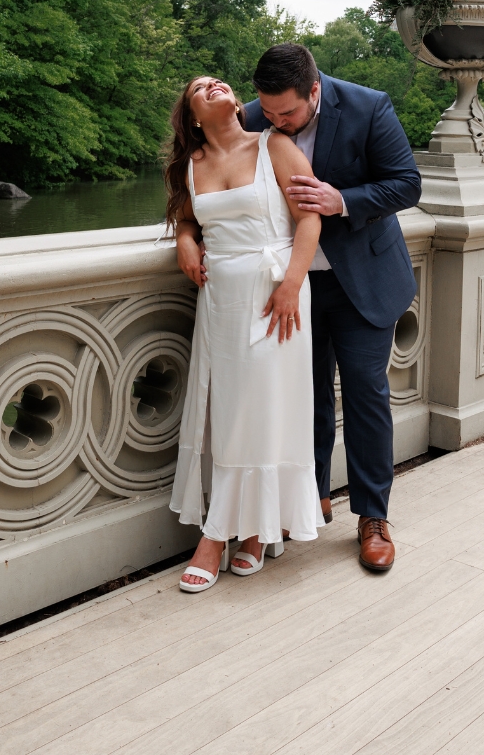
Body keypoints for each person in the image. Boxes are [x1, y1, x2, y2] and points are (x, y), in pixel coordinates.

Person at [243, 43, 422, 572]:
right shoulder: (253, 116)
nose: (275, 123)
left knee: (365, 393)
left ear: (314, 90)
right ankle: (313, 497)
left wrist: (340, 200)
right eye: (268, 113)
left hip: (363, 278)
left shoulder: (369, 107)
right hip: (292, 287)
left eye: (287, 114)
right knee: (306, 394)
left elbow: (407, 184)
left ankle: (372, 517)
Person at [167, 75, 324, 593]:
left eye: (218, 82)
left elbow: (309, 221)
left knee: (266, 408)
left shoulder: (274, 146)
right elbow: (189, 219)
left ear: (236, 101)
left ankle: (218, 538)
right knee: (228, 411)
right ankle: (251, 530)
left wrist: (290, 285)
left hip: (277, 294)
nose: (211, 85)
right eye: (197, 86)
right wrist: (185, 240)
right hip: (222, 303)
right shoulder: (190, 166)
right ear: (193, 115)